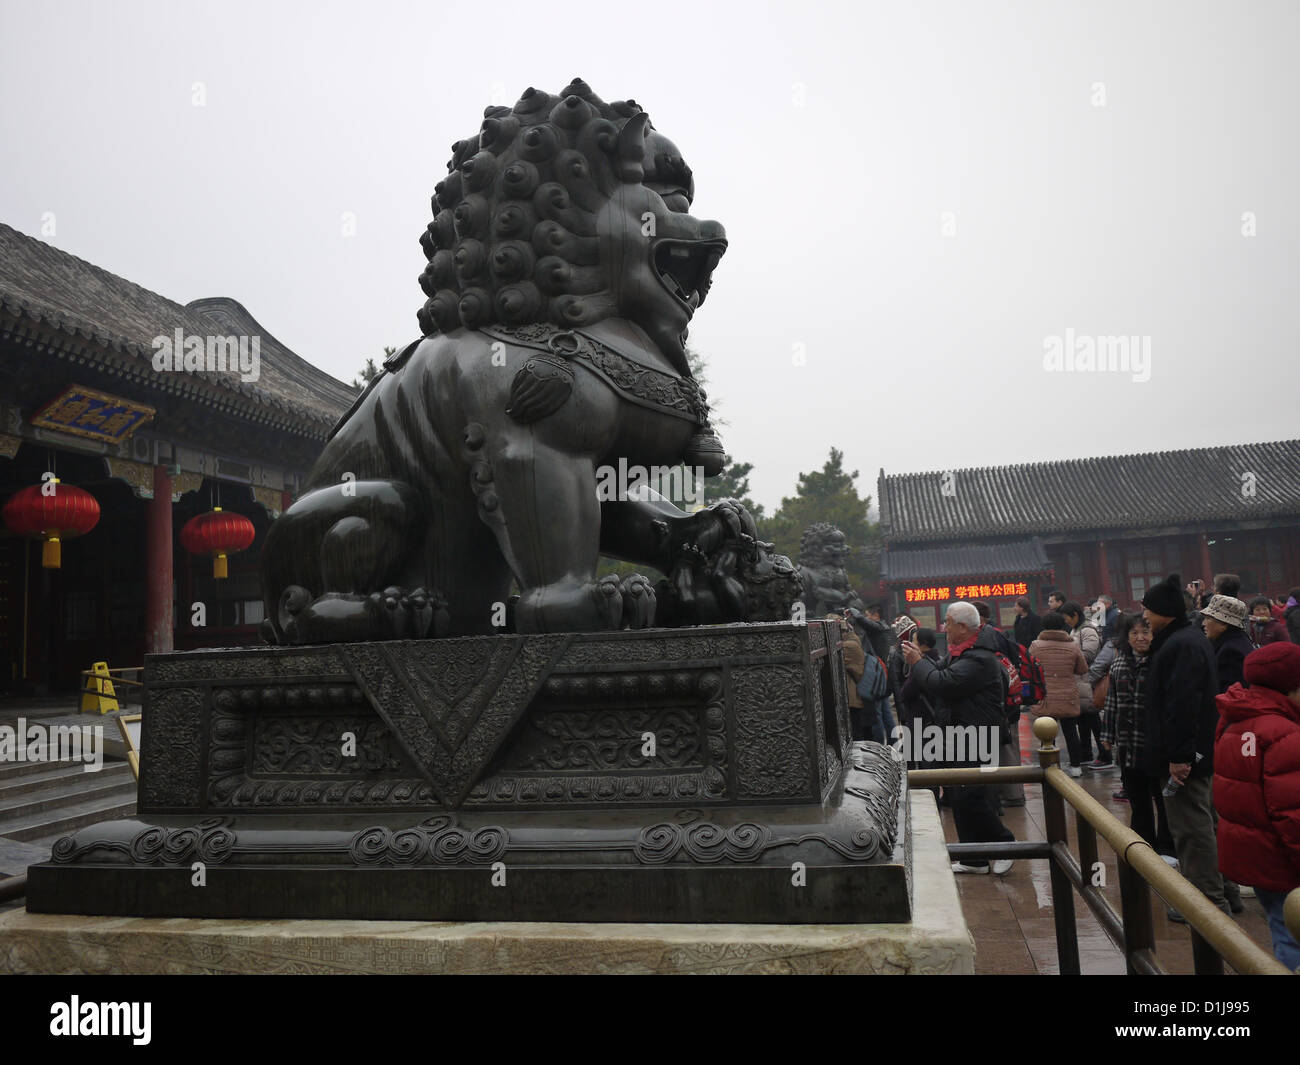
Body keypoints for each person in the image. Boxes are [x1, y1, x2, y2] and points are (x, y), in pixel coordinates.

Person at [903, 601, 1015, 875]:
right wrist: (918, 663)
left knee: (971, 796)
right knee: (958, 793)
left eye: (949, 622)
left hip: (977, 732)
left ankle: (1006, 845)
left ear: (963, 627)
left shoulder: (979, 659)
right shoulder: (960, 653)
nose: (945, 627)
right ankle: (972, 857)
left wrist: (918, 662)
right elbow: (937, 676)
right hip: (958, 731)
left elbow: (942, 683)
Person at [1141, 573, 1229, 918]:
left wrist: (1179, 757)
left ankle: (1206, 901)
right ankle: (1224, 891)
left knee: (1191, 827)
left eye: (1148, 609)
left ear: (1164, 611)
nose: (1144, 616)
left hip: (1185, 756)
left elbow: (1182, 705)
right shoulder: (1185, 639)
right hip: (1195, 751)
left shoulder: (1180, 645)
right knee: (1203, 821)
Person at [1214, 642, 1300, 971]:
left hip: (1254, 855)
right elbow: (1292, 814)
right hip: (1285, 861)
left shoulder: (1235, 719)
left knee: (1280, 928)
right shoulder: (1284, 734)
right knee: (1292, 935)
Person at [1100, 613, 1177, 860]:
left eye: (1146, 633)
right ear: (1127, 637)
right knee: (1137, 798)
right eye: (1134, 633)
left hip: (1155, 744)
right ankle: (1143, 844)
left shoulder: (1160, 663)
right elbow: (1112, 703)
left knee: (1162, 798)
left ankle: (1167, 847)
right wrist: (1107, 733)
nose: (1140, 638)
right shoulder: (1119, 664)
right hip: (1127, 744)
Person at [1029, 612, 1089, 777]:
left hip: (1045, 696)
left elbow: (1029, 668)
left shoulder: (1035, 646)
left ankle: (1050, 766)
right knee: (1071, 733)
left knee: (1046, 733)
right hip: (1067, 694)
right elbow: (1082, 669)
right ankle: (1076, 767)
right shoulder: (1072, 645)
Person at [1062, 601, 1103, 765]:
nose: (1066, 621)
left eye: (1067, 617)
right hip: (1079, 682)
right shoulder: (1075, 629)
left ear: (1075, 615)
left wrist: (1070, 661)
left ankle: (1104, 753)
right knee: (1083, 720)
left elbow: (1089, 654)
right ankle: (1086, 754)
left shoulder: (1087, 630)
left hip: (1088, 681)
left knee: (1093, 719)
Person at [1201, 595, 1254, 691]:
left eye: (1208, 618)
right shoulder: (1238, 641)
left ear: (1223, 624)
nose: (1203, 623)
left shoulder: (1230, 652)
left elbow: (1228, 694)